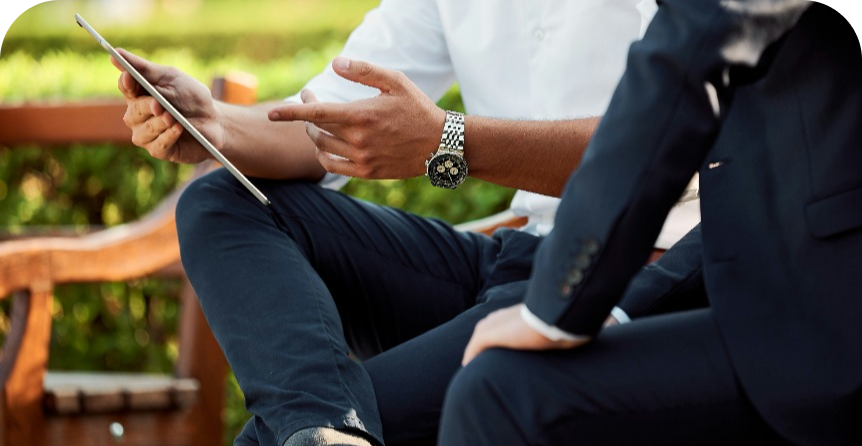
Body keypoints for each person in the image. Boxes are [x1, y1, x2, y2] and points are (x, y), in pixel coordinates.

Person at [112, 1, 701, 445]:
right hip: (515, 255)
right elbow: (326, 120)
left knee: (268, 439)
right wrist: (213, 124)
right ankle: (322, 428)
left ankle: (319, 430)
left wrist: (449, 142)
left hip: (636, 270)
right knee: (220, 202)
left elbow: (676, 141)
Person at [438, 0, 862, 444]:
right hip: (750, 284)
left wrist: (556, 305)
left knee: (500, 392)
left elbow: (698, 41)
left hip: (826, 312)